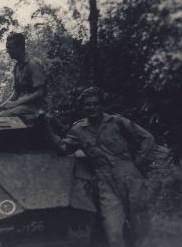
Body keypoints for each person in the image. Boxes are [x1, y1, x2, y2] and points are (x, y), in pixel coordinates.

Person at [46, 87, 154, 247]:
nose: (92, 107)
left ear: (101, 105)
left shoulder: (117, 122)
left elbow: (147, 138)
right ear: (83, 107)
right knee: (114, 232)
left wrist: (139, 162)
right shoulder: (78, 130)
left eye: (95, 104)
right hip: (105, 183)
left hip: (130, 176)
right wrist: (47, 128)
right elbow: (63, 147)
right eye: (88, 105)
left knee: (139, 226)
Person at [0, 32, 46, 117]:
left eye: (10, 48)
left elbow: (39, 92)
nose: (7, 51)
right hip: (21, 106)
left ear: (20, 47)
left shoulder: (33, 64)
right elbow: (16, 92)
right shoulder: (17, 67)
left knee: (2, 116)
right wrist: (1, 106)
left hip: (35, 107)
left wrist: (15, 103)